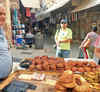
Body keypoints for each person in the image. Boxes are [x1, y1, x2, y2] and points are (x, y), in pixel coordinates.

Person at [0, 5, 12, 79]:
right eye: (0, 14)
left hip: (5, 79)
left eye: (4, 14)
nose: (3, 16)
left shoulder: (2, 31)